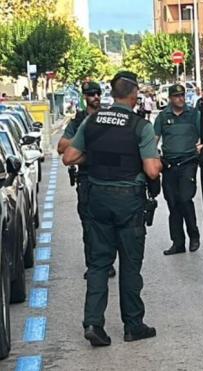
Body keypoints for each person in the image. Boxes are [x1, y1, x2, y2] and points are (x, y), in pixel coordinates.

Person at [63, 71, 162, 347]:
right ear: (133, 96)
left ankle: (93, 323)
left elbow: (68, 157)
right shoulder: (140, 126)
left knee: (98, 264)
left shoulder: (93, 120)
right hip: (128, 201)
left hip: (96, 197)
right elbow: (152, 170)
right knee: (130, 264)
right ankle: (133, 325)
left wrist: (93, 157)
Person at [57, 81, 116, 280]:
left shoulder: (109, 117)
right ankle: (93, 264)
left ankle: (107, 263)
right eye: (91, 94)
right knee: (89, 224)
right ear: (85, 97)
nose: (96, 97)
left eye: (98, 93)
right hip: (86, 178)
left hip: (108, 176)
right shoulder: (78, 120)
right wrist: (84, 140)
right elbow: (61, 147)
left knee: (108, 223)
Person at [154, 84, 202, 256]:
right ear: (170, 98)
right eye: (176, 96)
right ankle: (178, 242)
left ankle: (194, 236)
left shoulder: (193, 115)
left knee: (185, 198)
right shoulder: (163, 117)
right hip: (169, 165)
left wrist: (202, 147)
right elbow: (154, 139)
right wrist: (154, 156)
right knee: (173, 203)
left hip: (188, 162)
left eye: (182, 95)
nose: (180, 98)